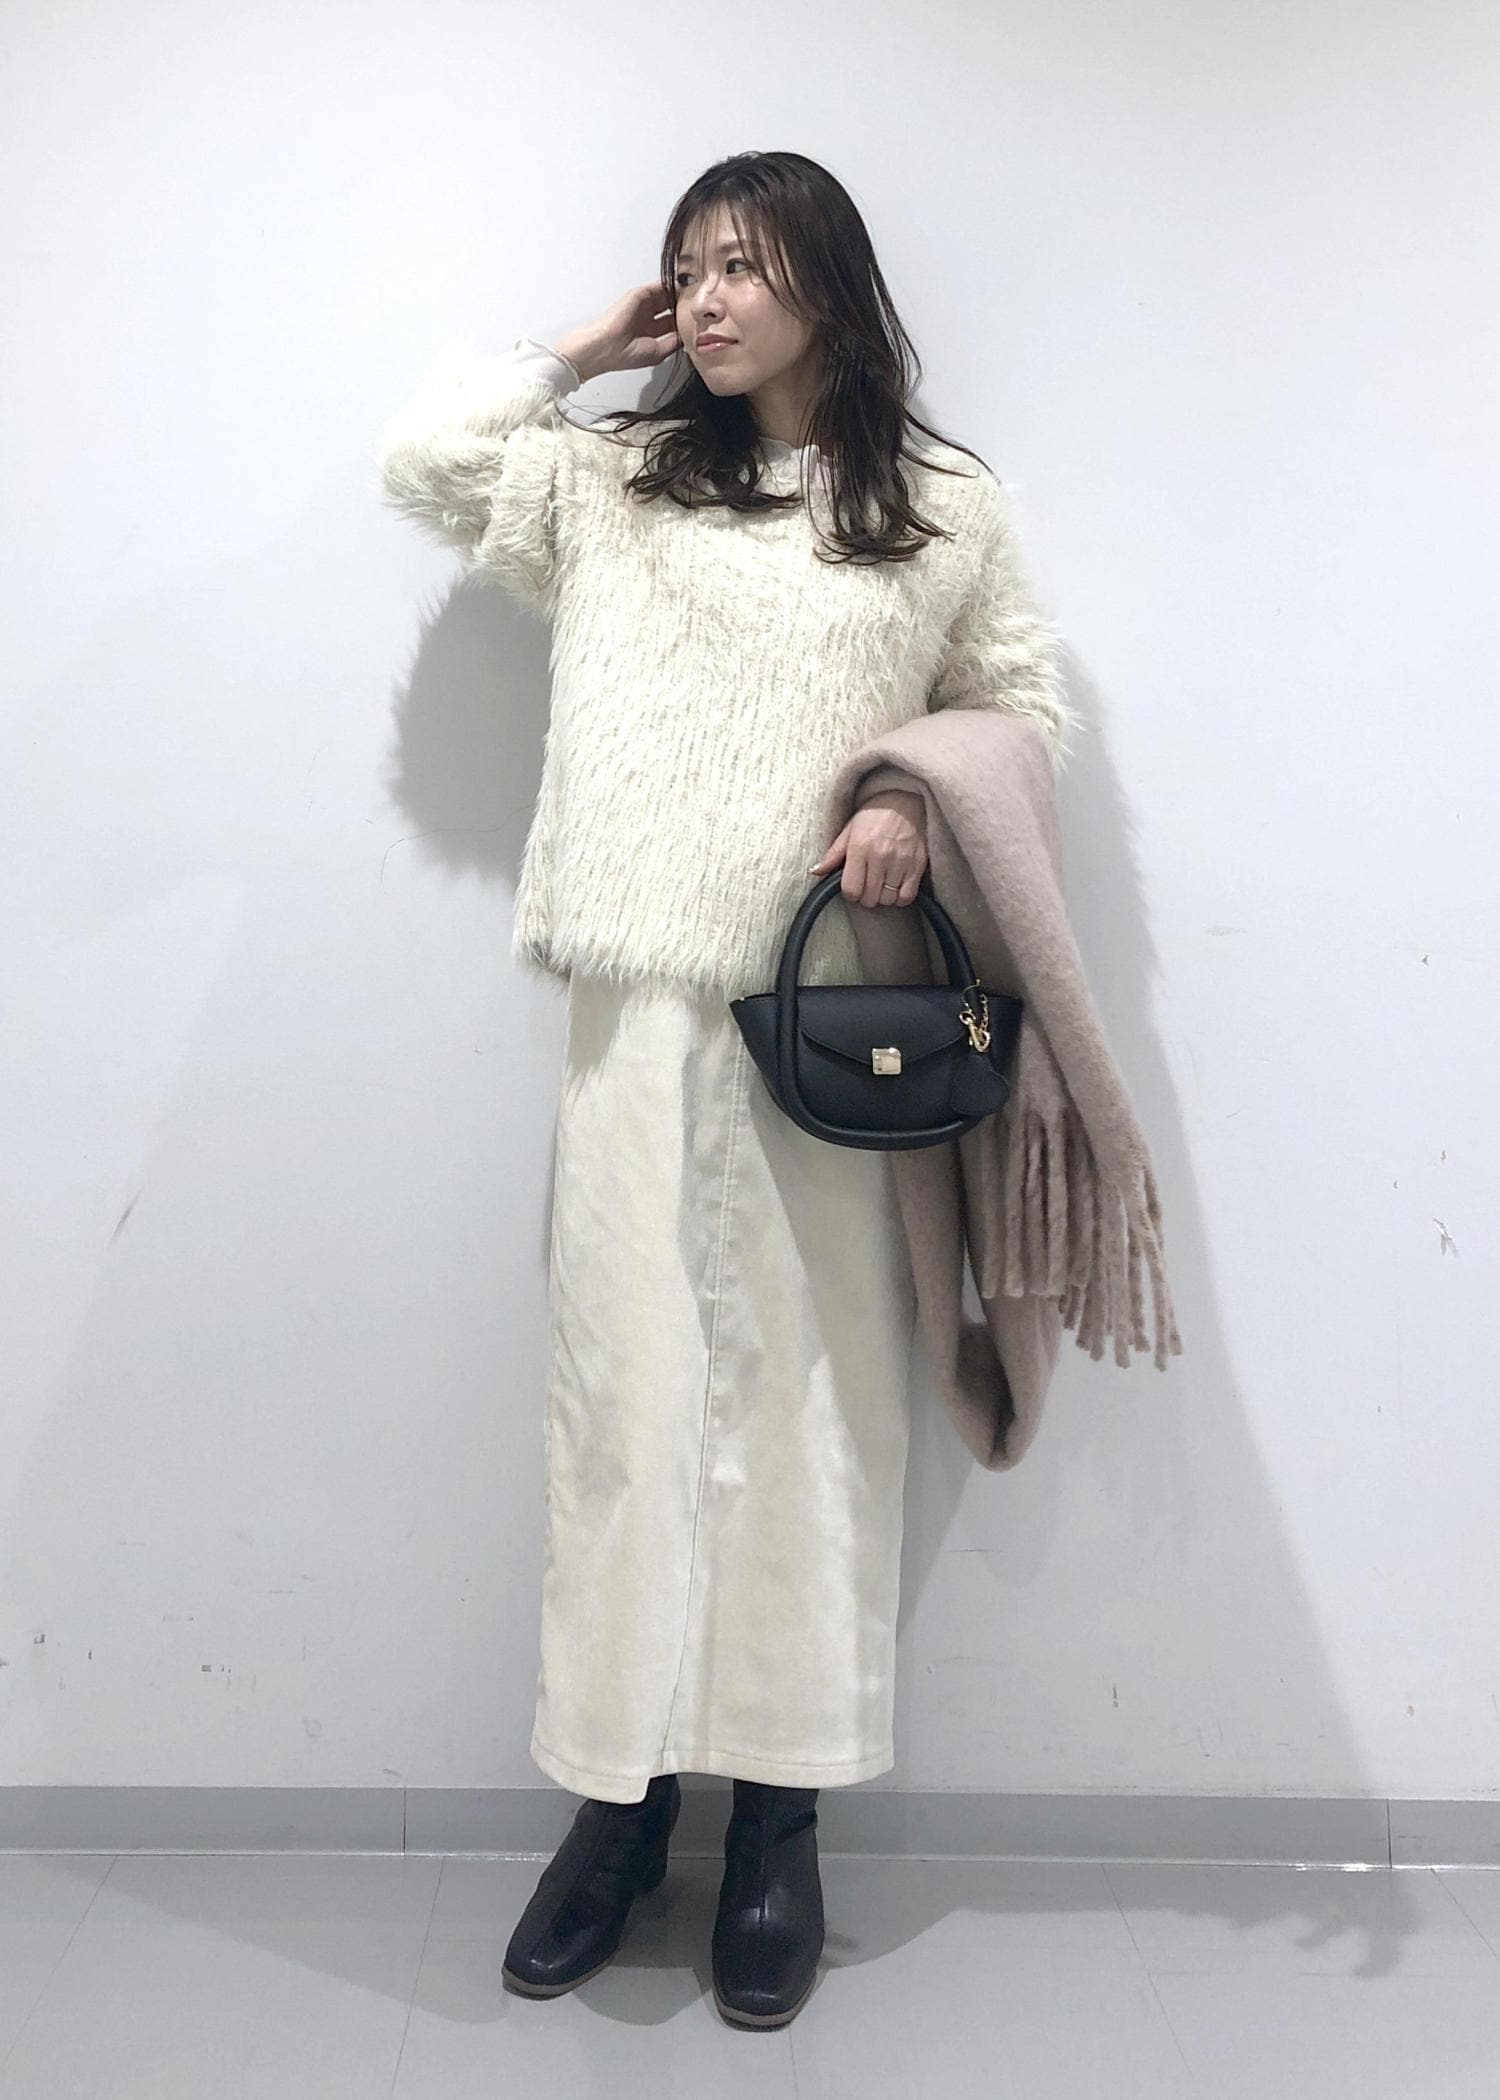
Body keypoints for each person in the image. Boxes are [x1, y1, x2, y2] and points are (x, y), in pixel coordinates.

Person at [375, 149, 1071, 2029]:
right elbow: (428, 466)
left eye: (744, 265)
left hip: (831, 1031)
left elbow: (1019, 711)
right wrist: (585, 347)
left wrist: (907, 792)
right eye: (685, 267)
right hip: (634, 1010)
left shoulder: (937, 508)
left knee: (819, 1412)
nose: (706, 296)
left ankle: (780, 1821)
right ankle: (616, 1810)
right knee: (623, 1410)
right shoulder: (616, 483)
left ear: (831, 285)